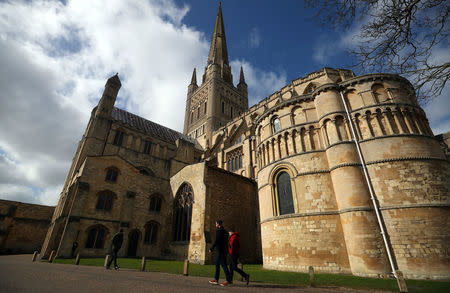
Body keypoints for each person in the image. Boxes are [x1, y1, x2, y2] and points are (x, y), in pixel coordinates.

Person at [208, 220, 232, 286]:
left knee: (224, 265)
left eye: (216, 223)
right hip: (223, 250)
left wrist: (211, 248)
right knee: (217, 264)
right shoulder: (225, 231)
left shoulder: (219, 231)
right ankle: (216, 279)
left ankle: (228, 280)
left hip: (221, 251)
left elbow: (217, 241)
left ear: (218, 224)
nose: (215, 225)